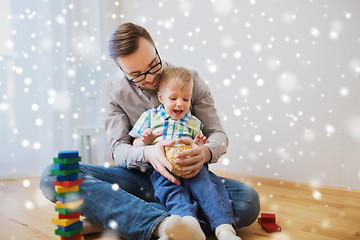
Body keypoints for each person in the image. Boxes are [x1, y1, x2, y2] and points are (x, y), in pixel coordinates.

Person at [39, 22, 260, 240]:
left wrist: (204, 153)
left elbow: (218, 134)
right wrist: (148, 153)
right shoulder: (111, 91)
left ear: (156, 48)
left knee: (247, 201)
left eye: (154, 65)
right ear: (121, 70)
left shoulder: (188, 78)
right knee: (56, 175)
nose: (152, 78)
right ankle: (164, 225)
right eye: (137, 74)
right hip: (138, 178)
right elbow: (118, 149)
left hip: (187, 176)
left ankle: (118, 216)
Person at [130, 66, 240, 240]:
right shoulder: (150, 117)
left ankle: (224, 229)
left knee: (208, 188)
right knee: (172, 193)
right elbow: (135, 145)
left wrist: (198, 145)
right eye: (173, 98)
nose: (180, 103)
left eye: (185, 99)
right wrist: (146, 141)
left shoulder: (194, 122)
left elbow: (200, 146)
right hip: (163, 169)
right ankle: (186, 225)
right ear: (161, 98)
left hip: (192, 167)